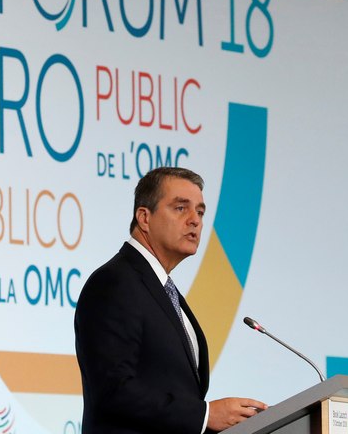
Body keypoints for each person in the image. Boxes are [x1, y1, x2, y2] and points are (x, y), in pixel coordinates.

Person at [75, 166, 267, 434]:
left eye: (200, 212)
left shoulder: (163, 290)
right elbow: (113, 390)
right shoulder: (114, 283)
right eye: (180, 208)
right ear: (144, 217)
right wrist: (205, 415)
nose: (195, 220)